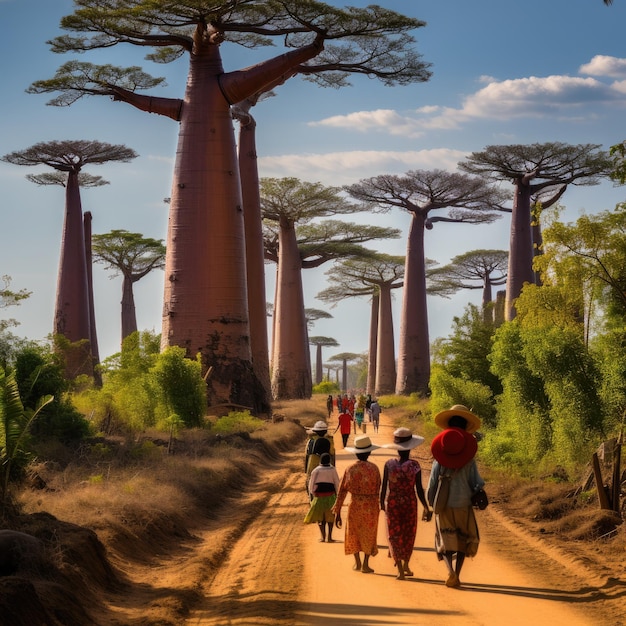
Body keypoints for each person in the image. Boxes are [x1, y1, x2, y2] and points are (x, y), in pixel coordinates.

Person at [427, 405, 485, 589]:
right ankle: (457, 574)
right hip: (463, 504)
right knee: (461, 541)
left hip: (443, 505)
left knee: (444, 540)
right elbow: (477, 483)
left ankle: (449, 572)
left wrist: (431, 503)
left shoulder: (439, 461)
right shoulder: (469, 460)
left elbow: (432, 486)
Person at [381, 427, 432, 580]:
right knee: (408, 533)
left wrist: (381, 502)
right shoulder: (414, 466)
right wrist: (426, 506)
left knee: (394, 533)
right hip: (410, 502)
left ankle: (401, 569)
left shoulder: (389, 464)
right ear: (411, 447)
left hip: (393, 502)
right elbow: (419, 489)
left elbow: (384, 486)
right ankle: (406, 563)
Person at [332, 435, 381, 574]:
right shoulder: (375, 469)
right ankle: (366, 563)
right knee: (369, 534)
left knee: (353, 533)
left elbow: (342, 491)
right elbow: (379, 487)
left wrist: (337, 511)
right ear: (370, 452)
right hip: (371, 506)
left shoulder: (350, 469)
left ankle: (357, 562)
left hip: (355, 505)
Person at [304, 452, 340, 542]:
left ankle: (323, 537)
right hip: (331, 496)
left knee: (321, 518)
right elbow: (337, 483)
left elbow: (311, 484)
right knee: (330, 517)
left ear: (320, 461)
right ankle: (330, 537)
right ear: (329, 461)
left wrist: (311, 494)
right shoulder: (333, 470)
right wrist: (338, 494)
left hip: (318, 497)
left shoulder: (316, 470)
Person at [305, 421, 336, 495]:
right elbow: (332, 452)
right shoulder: (330, 440)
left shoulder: (310, 440)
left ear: (315, 431)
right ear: (325, 431)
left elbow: (306, 453)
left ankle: (311, 497)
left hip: (312, 463)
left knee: (311, 480)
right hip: (326, 464)